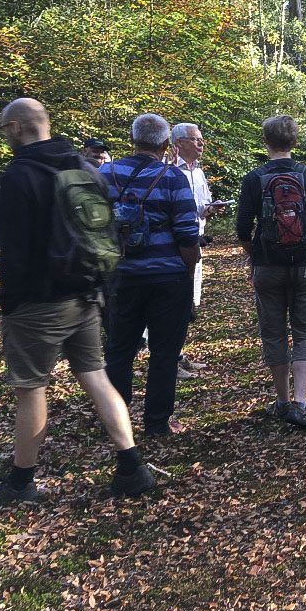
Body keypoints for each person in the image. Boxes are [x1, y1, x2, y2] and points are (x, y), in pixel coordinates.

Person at [0, 98, 154, 503]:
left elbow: (15, 249)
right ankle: (131, 466)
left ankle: (21, 482)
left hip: (38, 302)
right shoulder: (83, 167)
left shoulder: (20, 175)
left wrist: (8, 302)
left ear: (16, 128)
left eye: (3, 128)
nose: (3, 135)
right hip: (87, 293)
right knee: (95, 375)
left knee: (31, 388)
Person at [104, 114, 201, 438]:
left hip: (120, 276)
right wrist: (188, 273)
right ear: (164, 144)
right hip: (167, 278)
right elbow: (188, 235)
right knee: (164, 351)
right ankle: (157, 422)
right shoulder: (173, 178)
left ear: (133, 139)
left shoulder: (107, 173)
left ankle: (116, 419)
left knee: (119, 349)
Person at [236, 115, 306, 426]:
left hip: (267, 266)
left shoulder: (254, 178)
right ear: (295, 142)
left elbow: (242, 229)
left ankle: (281, 401)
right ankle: (301, 402)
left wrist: (254, 255)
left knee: (274, 331)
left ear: (266, 142)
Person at [172, 122, 225, 377]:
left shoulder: (199, 173)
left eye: (201, 139)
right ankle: (170, 358)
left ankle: (179, 354)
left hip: (198, 242)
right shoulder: (169, 171)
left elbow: (200, 209)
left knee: (191, 301)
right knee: (176, 301)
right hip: (175, 245)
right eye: (195, 140)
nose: (201, 144)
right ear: (179, 143)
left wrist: (211, 209)